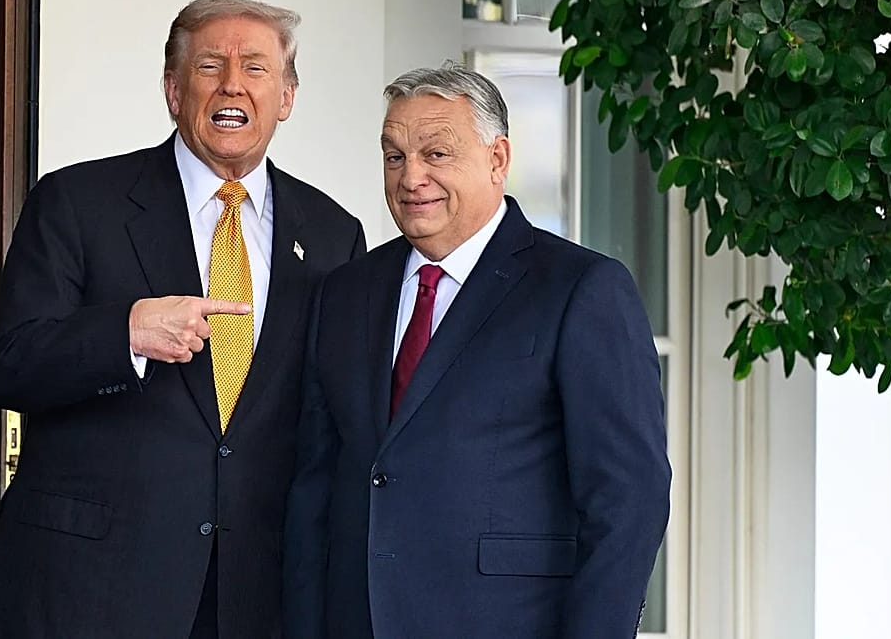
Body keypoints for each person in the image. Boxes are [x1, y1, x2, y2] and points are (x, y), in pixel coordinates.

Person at [0, 0, 365, 639]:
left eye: (256, 68)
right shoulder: (77, 201)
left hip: (254, 593)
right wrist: (124, 333)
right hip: (92, 587)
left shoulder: (332, 233)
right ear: (173, 91)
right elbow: (8, 364)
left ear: (287, 97)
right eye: (210, 65)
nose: (233, 84)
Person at [282, 63, 670, 639]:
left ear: (498, 158)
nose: (411, 177)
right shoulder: (345, 291)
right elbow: (314, 488)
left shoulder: (580, 288)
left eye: (436, 154)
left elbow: (628, 499)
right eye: (394, 156)